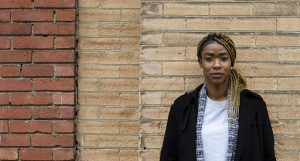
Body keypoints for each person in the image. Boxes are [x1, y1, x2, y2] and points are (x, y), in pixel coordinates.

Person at [160, 33, 276, 161]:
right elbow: (169, 156)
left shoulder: (254, 106)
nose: (216, 65)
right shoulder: (182, 108)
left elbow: (268, 155)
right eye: (209, 59)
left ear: (232, 62)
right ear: (200, 63)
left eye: (223, 58)